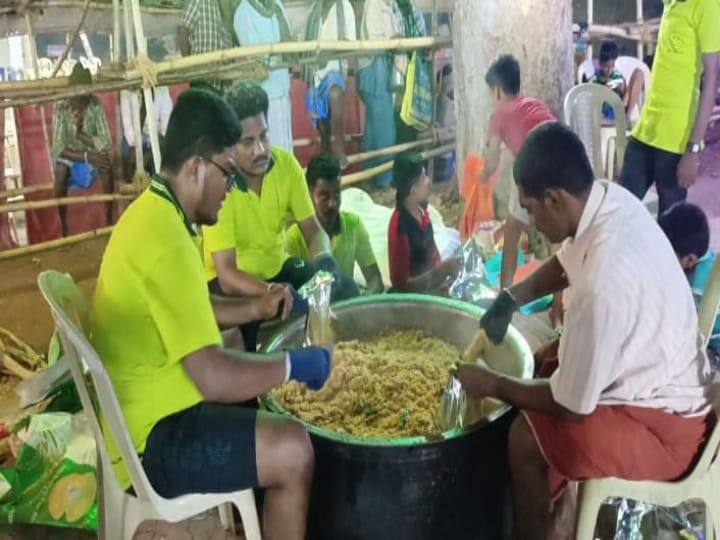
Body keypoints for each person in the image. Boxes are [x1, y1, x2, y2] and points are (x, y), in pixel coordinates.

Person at [91, 89, 331, 540]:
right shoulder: (167, 242)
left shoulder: (156, 213)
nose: (230, 189)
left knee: (255, 397)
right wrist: (294, 366)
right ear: (197, 166)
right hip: (152, 440)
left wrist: (254, 307)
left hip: (142, 410)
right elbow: (212, 377)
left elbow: (190, 309)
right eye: (227, 174)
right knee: (293, 447)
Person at [455, 123, 713, 540]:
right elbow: (567, 261)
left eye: (531, 208)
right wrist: (512, 297)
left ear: (555, 199)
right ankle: (559, 507)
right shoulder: (609, 201)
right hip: (662, 374)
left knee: (525, 438)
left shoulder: (601, 286)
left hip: (669, 427)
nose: (531, 222)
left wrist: (491, 383)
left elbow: (570, 404)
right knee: (544, 361)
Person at [202, 81, 341, 350]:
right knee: (249, 337)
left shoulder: (286, 165)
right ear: (230, 144)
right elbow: (228, 274)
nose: (261, 150)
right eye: (248, 142)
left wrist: (325, 264)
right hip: (230, 285)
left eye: (264, 136)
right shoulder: (221, 183)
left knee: (341, 288)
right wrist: (270, 292)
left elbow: (313, 231)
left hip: (278, 269)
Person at [620, 0, 720, 215]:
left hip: (676, 142)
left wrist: (693, 150)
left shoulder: (707, 5)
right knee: (618, 210)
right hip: (646, 131)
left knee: (671, 229)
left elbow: (712, 80)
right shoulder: (670, 3)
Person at [480, 55, 555, 292]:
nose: (491, 100)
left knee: (511, 233)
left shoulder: (498, 115)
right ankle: (558, 304)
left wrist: (481, 176)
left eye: (490, 94)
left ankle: (504, 293)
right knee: (557, 239)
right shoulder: (533, 104)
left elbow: (492, 162)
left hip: (533, 167)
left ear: (498, 92)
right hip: (561, 163)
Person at [286, 154, 384, 294]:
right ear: (308, 195)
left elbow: (374, 279)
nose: (332, 204)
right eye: (324, 196)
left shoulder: (354, 225)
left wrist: (360, 305)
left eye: (337, 194)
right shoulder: (293, 239)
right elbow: (291, 295)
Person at [51, 63, 113, 237]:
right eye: (77, 96)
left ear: (89, 94)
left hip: (89, 160)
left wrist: (83, 135)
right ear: (71, 93)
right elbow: (57, 148)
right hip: (71, 160)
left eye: (84, 96)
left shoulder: (95, 105)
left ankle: (109, 221)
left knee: (107, 165)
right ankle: (63, 226)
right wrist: (86, 156)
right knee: (61, 169)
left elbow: (106, 142)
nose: (80, 101)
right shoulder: (61, 106)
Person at [388, 151, 460, 292]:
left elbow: (433, 252)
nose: (428, 181)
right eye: (424, 177)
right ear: (414, 190)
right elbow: (402, 287)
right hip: (414, 301)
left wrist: (442, 277)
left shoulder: (422, 212)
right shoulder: (399, 228)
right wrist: (441, 271)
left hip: (432, 286)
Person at [658, 202, 720, 359]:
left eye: (666, 254)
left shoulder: (696, 288)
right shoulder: (709, 259)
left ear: (690, 260)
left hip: (714, 348)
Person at [234, 0, 294, 151]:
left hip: (282, 86)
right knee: (271, 147)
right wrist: (274, 53)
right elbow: (255, 58)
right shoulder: (244, 12)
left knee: (286, 146)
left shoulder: (276, 5)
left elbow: (288, 42)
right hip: (265, 93)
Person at [303, 0, 357, 167]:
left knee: (334, 93)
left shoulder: (345, 7)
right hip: (314, 75)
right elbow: (304, 41)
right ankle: (327, 156)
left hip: (335, 71)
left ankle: (339, 148)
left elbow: (351, 43)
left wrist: (330, 51)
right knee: (323, 128)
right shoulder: (313, 10)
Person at [357, 0, 402, 188]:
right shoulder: (373, 5)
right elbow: (376, 41)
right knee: (384, 129)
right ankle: (383, 182)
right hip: (375, 68)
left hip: (382, 67)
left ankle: (370, 176)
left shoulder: (392, 5)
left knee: (373, 128)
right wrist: (396, 40)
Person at [178, 0, 235, 92]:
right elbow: (183, 30)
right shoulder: (199, 2)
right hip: (202, 79)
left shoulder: (227, 6)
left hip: (224, 82)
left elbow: (230, 40)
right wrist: (189, 64)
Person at [589, 40, 644, 124]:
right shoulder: (594, 80)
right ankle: (613, 122)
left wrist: (621, 87)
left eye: (612, 66)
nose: (609, 70)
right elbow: (592, 103)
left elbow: (624, 97)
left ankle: (627, 118)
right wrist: (604, 91)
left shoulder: (617, 76)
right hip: (603, 114)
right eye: (606, 67)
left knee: (639, 73)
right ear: (600, 63)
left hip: (619, 110)